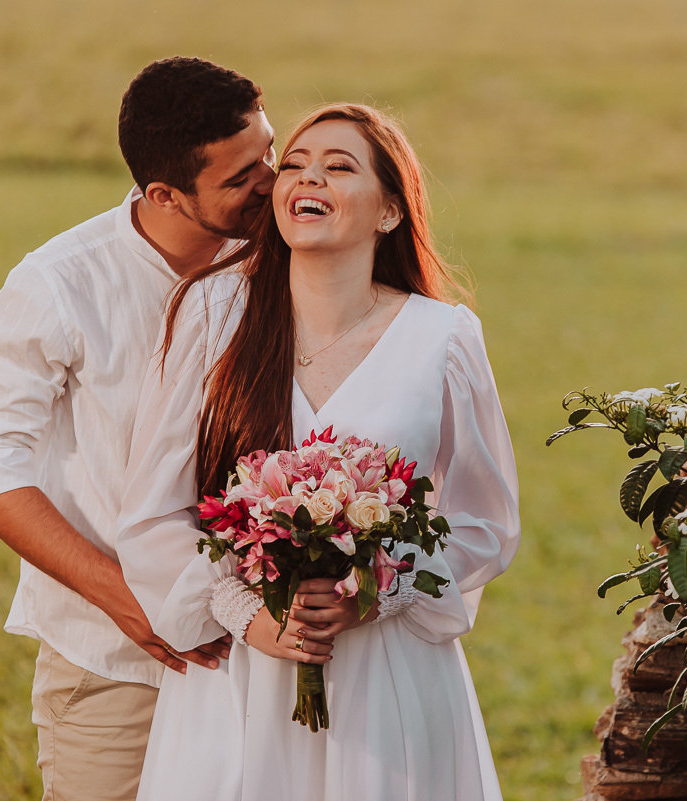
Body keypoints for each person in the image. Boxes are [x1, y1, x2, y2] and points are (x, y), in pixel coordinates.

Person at [116, 102, 520, 800]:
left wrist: (378, 593)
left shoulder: (443, 338)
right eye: (295, 165)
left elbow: (486, 522)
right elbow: (154, 510)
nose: (309, 178)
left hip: (386, 677)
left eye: (339, 167)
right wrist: (247, 614)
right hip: (243, 680)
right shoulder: (214, 316)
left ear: (389, 211)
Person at [0, 56, 277, 800]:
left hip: (263, 657)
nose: (271, 183)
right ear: (164, 193)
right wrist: (126, 597)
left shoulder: (283, 262)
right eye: (240, 177)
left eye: (270, 155)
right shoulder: (58, 285)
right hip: (117, 663)